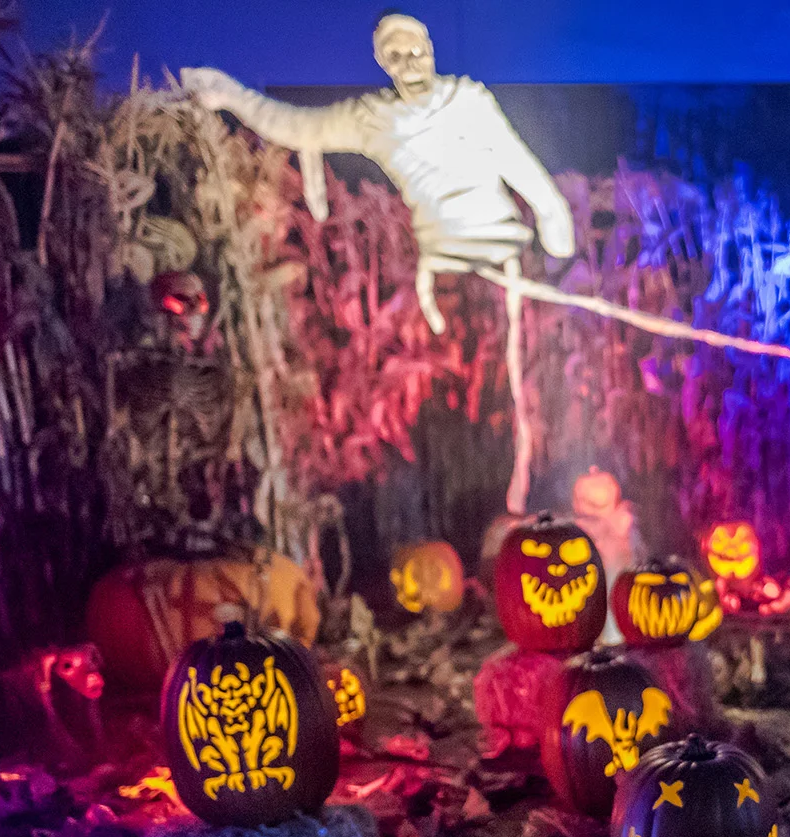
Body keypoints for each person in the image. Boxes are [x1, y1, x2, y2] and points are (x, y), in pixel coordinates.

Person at [182, 12, 575, 510]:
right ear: (382, 63)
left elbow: (517, 160)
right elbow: (297, 124)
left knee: (517, 378)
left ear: (431, 50)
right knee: (450, 374)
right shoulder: (374, 120)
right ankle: (508, 485)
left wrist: (553, 216)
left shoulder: (469, 103)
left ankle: (523, 483)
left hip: (500, 246)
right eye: (396, 56)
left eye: (415, 52)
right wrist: (232, 96)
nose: (409, 63)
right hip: (439, 263)